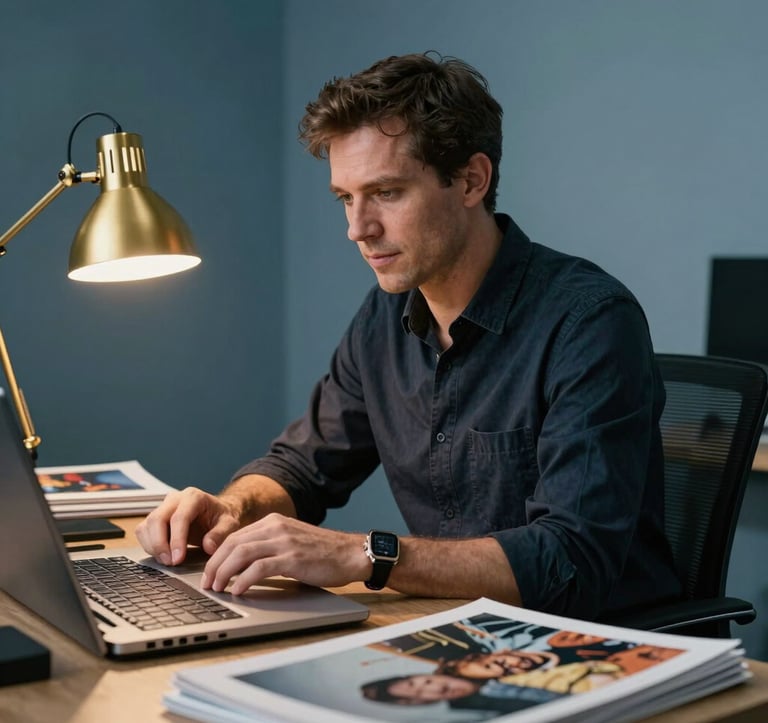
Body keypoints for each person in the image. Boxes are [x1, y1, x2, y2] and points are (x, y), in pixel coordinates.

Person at [136, 51, 681, 620]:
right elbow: (304, 467)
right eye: (346, 198)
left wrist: (364, 554)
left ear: (471, 180)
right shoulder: (385, 316)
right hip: (455, 630)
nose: (357, 228)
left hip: (598, 647)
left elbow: (571, 561)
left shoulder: (588, 321)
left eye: (387, 193)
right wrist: (231, 507)